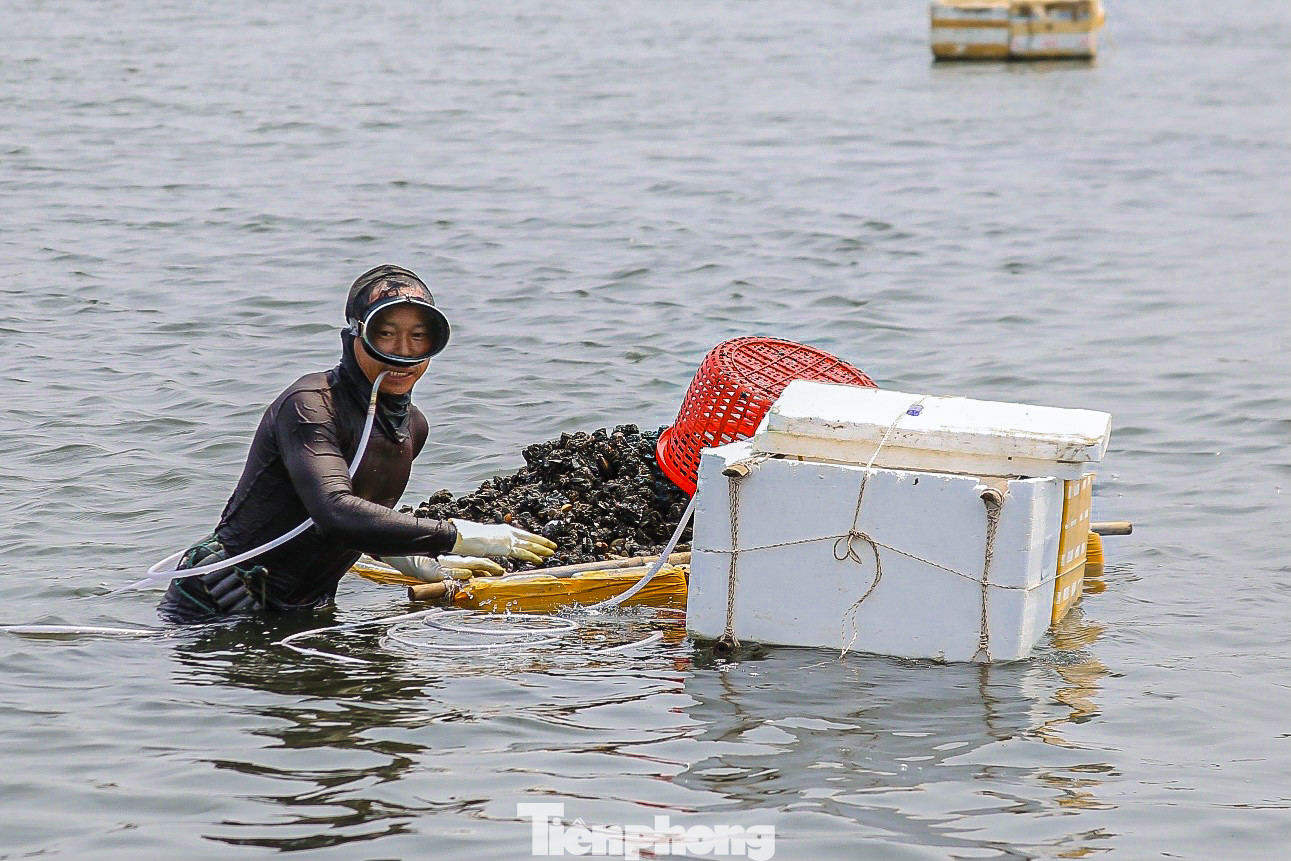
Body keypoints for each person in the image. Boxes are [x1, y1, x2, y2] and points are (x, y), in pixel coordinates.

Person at [158, 264, 555, 623]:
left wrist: (414, 561)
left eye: (418, 338)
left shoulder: (413, 427)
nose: (402, 354)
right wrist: (458, 535)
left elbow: (363, 519)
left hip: (305, 608)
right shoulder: (311, 405)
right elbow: (334, 511)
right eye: (386, 335)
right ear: (354, 337)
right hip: (218, 603)